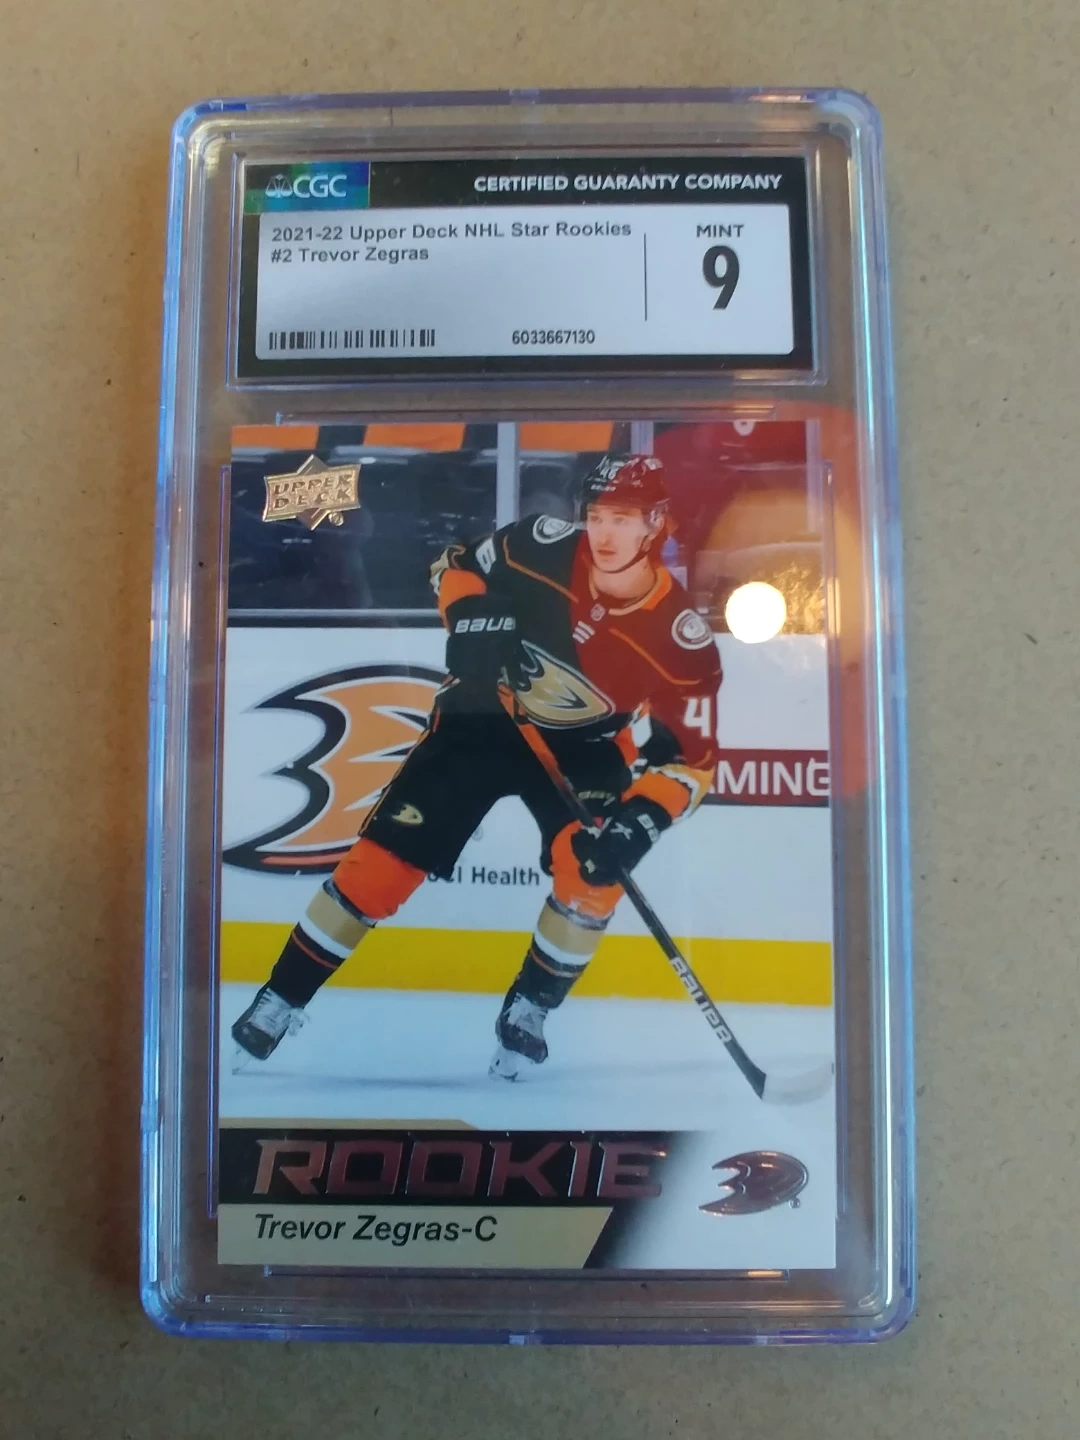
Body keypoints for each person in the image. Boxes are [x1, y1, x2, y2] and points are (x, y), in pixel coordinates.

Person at [231, 454, 723, 1079]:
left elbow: (691, 761)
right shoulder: (539, 544)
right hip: (482, 718)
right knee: (378, 869)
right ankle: (279, 999)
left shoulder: (680, 639)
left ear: (657, 524)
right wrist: (466, 616)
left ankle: (529, 1010)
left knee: (593, 876)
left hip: (585, 750)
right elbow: (455, 565)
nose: (604, 532)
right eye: (598, 515)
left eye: (623, 519)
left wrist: (644, 820)